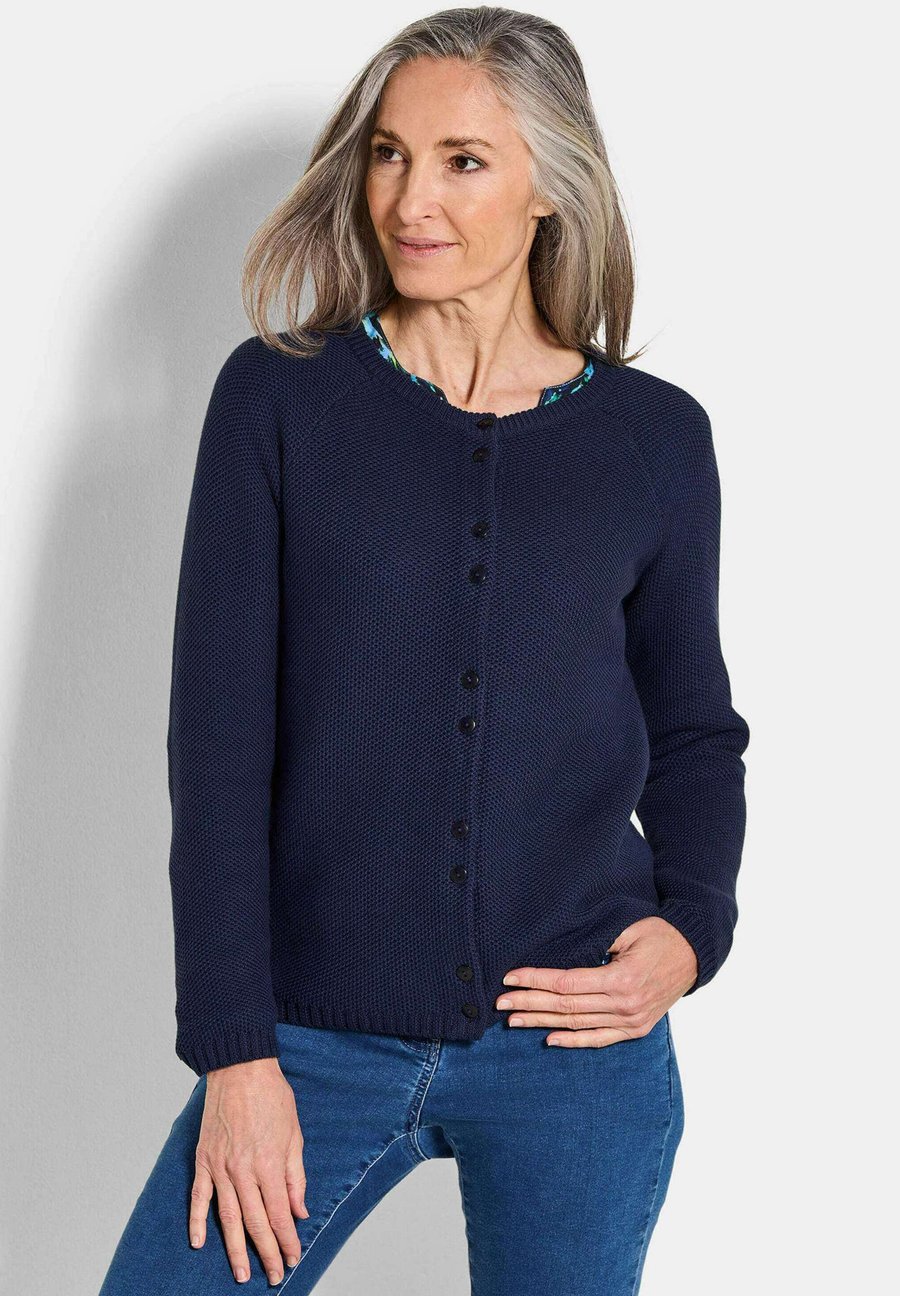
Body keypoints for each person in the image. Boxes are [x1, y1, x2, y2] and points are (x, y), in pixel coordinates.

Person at [99, 8, 750, 1294]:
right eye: (390, 154)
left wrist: (693, 929)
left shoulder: (657, 439)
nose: (410, 199)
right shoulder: (278, 399)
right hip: (311, 1042)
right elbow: (218, 754)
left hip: (575, 1049)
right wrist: (235, 1054)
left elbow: (691, 730)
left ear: (551, 187)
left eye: (463, 160)